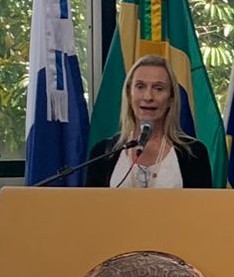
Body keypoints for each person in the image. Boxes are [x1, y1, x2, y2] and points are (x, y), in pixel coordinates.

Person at [86, 56, 213, 188]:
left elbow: (203, 201)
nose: (148, 97)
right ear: (129, 94)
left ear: (171, 98)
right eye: (140, 87)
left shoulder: (194, 154)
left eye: (158, 88)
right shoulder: (103, 153)